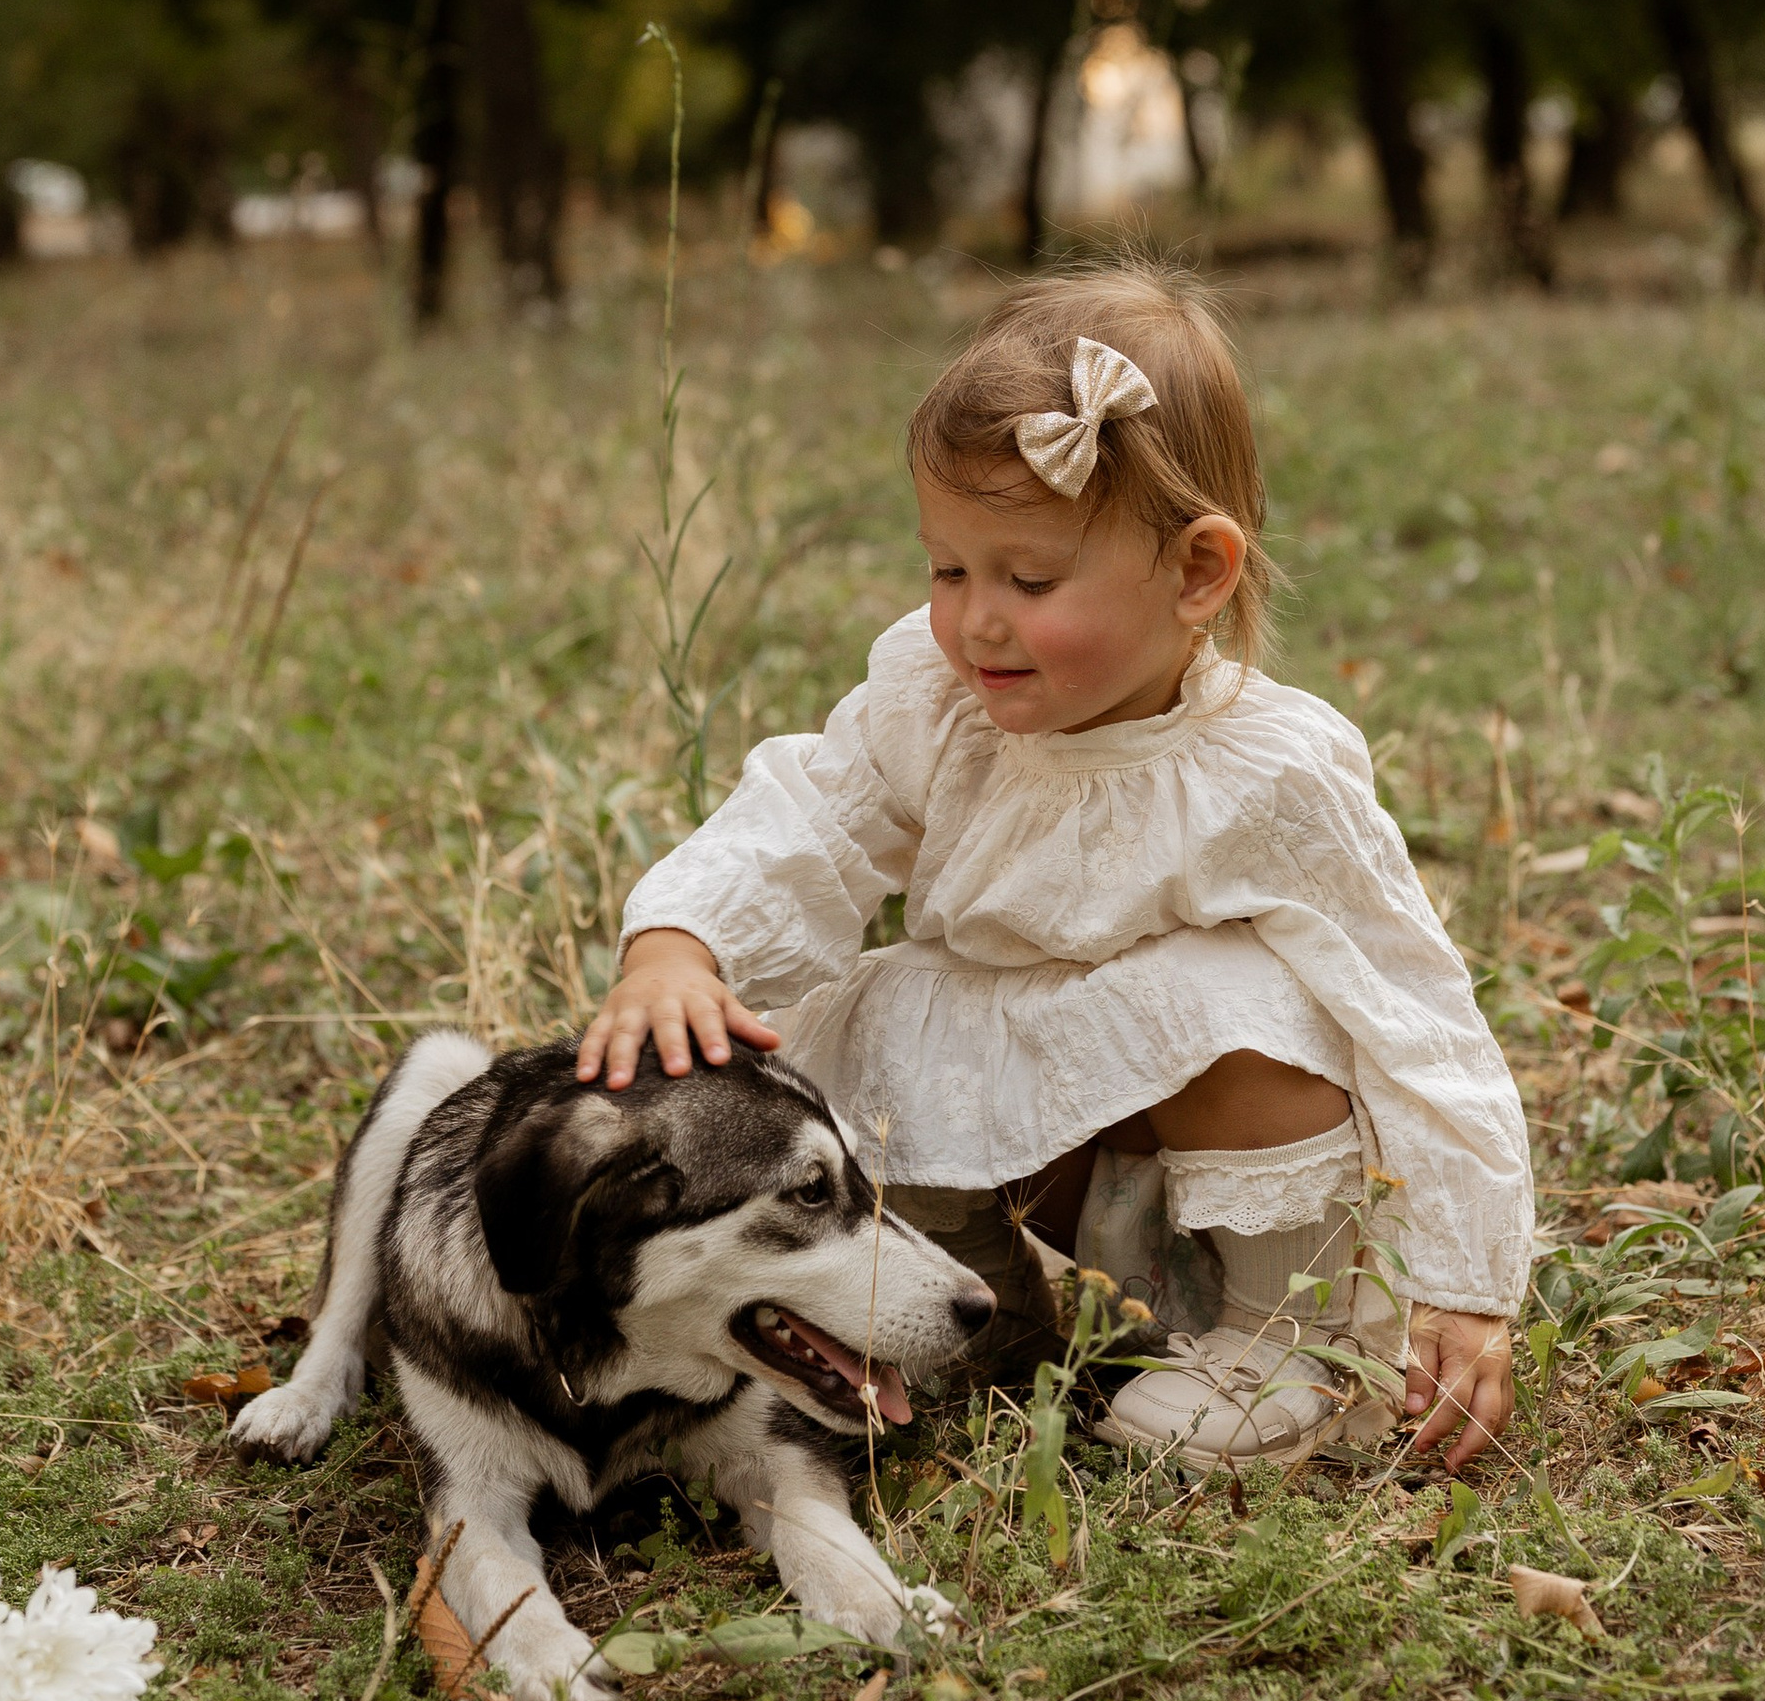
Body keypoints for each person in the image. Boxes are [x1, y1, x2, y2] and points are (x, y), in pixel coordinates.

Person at [575, 267, 1529, 1475]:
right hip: (1028, 1123)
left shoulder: (1264, 769)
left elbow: (1414, 1014)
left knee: (1238, 1000)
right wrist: (679, 941)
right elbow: (807, 819)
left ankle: (1286, 1340)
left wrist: (1464, 1281)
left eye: (1028, 580)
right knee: (864, 1026)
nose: (977, 621)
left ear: (1195, 573)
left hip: (1200, 1138)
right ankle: (973, 1306)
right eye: (947, 569)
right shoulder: (932, 701)